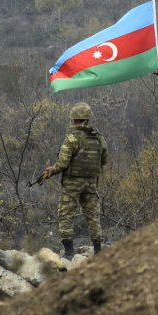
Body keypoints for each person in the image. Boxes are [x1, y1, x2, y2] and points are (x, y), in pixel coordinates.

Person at [43, 102, 108, 258]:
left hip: (72, 183)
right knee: (93, 216)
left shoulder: (72, 138)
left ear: (74, 119)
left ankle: (69, 252)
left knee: (66, 214)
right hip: (91, 183)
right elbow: (104, 160)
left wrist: (52, 170)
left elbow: (63, 163)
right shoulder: (99, 138)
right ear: (87, 118)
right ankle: (98, 251)